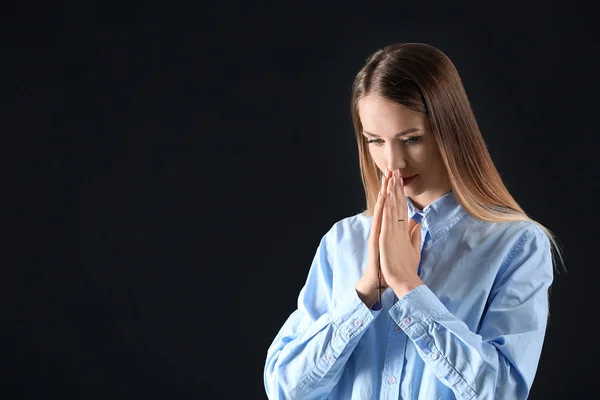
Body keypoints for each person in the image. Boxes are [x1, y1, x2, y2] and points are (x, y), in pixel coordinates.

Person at [263, 42, 564, 400]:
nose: (393, 162)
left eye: (411, 139)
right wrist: (365, 294)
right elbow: (284, 389)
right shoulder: (343, 240)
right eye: (375, 141)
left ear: (449, 131)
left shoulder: (516, 244)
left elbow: (502, 392)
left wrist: (408, 286)